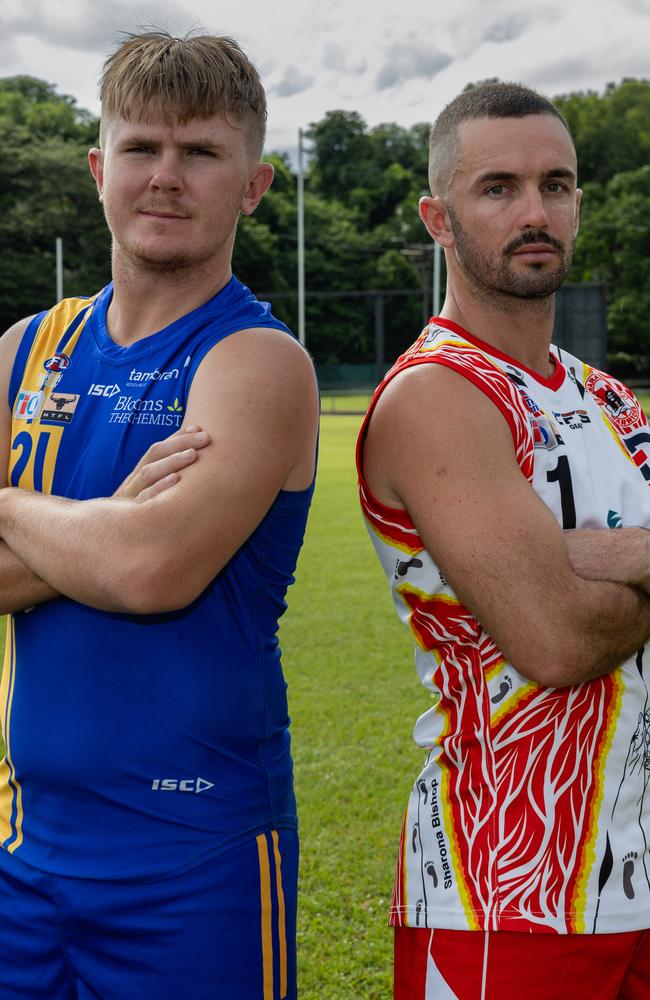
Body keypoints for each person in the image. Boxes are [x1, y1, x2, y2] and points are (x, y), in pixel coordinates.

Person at [0, 30, 318, 1000]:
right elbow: (125, 548)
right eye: (142, 148)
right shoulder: (24, 351)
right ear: (100, 169)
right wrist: (104, 520)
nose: (165, 177)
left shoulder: (258, 363)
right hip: (22, 848)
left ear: (253, 185)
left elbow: (151, 571)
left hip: (196, 857)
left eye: (201, 152)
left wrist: (20, 514)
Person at [356, 82, 650, 999]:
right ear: (437, 216)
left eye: (556, 185)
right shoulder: (435, 396)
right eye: (498, 188)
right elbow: (555, 640)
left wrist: (566, 559)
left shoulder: (609, 398)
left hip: (632, 874)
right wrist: (580, 568)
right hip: (507, 897)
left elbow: (562, 597)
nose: (535, 212)